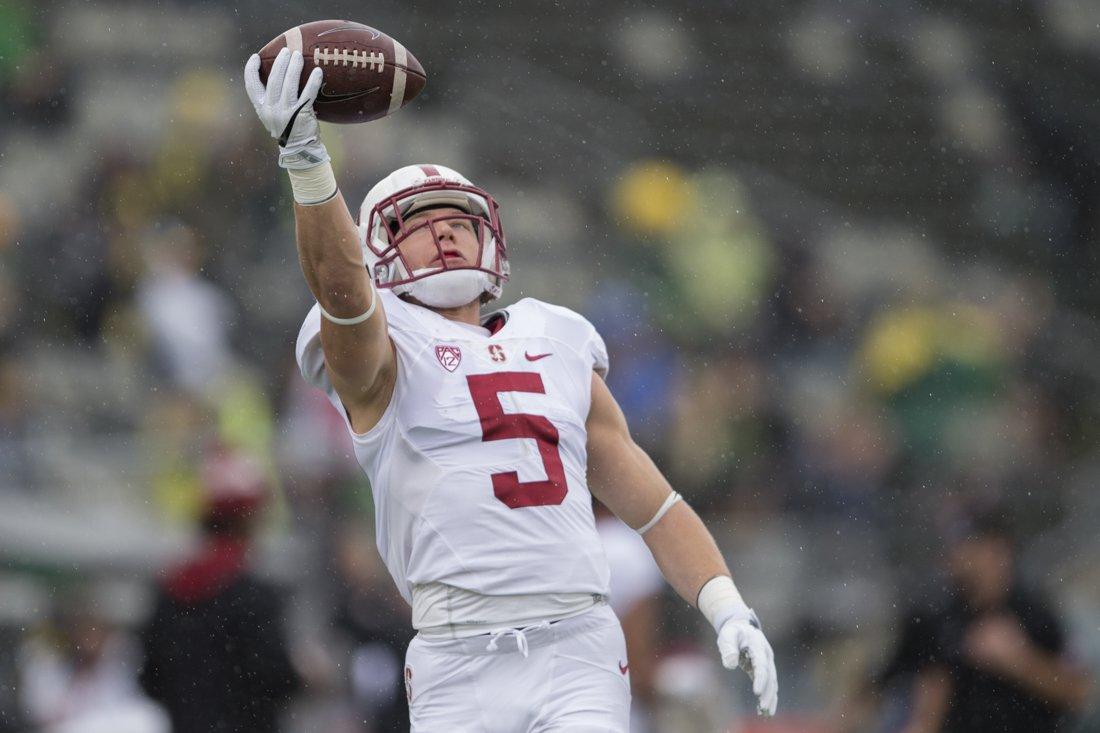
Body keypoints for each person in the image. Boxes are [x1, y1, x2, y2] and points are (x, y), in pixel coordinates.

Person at [243, 47, 778, 731]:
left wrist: (726, 603)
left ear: (490, 235)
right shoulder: (383, 344)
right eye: (419, 226)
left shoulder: (557, 335)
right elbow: (344, 294)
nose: (444, 235)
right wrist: (308, 164)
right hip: (457, 653)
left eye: (458, 220)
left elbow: (652, 502)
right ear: (376, 251)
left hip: (576, 641)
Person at [138, 448, 300, 733]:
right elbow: (276, 678)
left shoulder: (169, 591)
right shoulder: (253, 595)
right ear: (248, 520)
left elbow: (150, 680)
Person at [895, 513, 1092, 733]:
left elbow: (1078, 693)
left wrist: (1020, 661)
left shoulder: (1036, 612)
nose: (968, 560)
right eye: (962, 550)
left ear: (1003, 550)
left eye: (980, 550)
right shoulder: (940, 617)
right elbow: (928, 708)